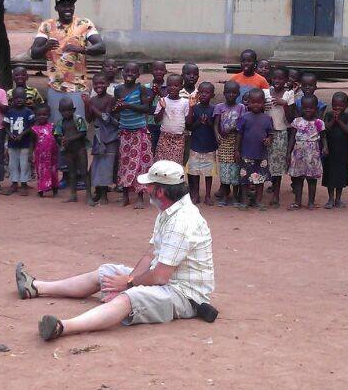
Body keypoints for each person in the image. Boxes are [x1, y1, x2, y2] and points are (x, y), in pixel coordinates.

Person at [15, 160, 215, 341]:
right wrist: (129, 281)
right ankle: (36, 286)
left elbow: (161, 276)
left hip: (184, 295)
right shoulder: (169, 211)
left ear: (160, 192)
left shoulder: (182, 221)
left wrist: (130, 285)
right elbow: (151, 255)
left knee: (130, 299)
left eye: (149, 185)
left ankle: (63, 327)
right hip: (167, 281)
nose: (145, 188)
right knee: (106, 272)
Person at [29, 0, 106, 119]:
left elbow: (101, 47)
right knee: (56, 128)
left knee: (78, 125)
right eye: (63, 5)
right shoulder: (47, 26)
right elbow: (34, 53)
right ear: (56, 8)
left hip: (78, 88)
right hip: (55, 87)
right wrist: (46, 46)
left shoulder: (84, 24)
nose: (68, 8)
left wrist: (80, 49)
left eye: (70, 5)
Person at [113, 62, 155, 208]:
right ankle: (125, 196)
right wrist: (117, 108)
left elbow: (146, 108)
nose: (129, 74)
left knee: (140, 166)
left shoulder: (141, 89)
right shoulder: (118, 90)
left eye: (133, 72)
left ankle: (139, 197)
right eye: (127, 71)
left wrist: (127, 106)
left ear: (138, 75)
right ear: (122, 73)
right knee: (124, 164)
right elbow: (113, 109)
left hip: (140, 132)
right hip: (125, 133)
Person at [235, 89, 273, 209]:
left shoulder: (267, 118)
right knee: (245, 179)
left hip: (261, 155)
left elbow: (270, 134)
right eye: (253, 102)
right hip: (246, 154)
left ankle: (258, 200)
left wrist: (268, 140)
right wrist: (237, 150)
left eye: (259, 102)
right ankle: (245, 200)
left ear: (264, 103)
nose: (256, 105)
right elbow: (239, 134)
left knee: (260, 179)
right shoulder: (244, 117)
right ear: (248, 103)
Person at [287, 94, 326, 209]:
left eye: (311, 107)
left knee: (311, 179)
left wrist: (325, 147)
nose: (308, 110)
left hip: (312, 154)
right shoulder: (297, 121)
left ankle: (311, 202)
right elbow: (292, 137)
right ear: (301, 108)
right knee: (298, 179)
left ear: (316, 108)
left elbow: (323, 137)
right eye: (305, 107)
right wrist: (288, 152)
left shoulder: (319, 122)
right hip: (298, 153)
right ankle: (297, 201)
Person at [86, 72, 119, 205]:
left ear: (107, 84)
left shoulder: (110, 99)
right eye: (96, 84)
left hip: (109, 136)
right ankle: (98, 191)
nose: (99, 86)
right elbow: (89, 118)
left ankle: (104, 194)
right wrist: (86, 104)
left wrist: (90, 105)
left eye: (102, 83)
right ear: (92, 85)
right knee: (98, 164)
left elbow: (105, 117)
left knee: (106, 165)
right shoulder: (92, 100)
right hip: (98, 136)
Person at [264, 68, 294, 207]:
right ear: (271, 79)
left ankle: (276, 195)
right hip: (264, 132)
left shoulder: (289, 94)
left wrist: (285, 104)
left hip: (280, 133)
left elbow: (290, 119)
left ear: (286, 80)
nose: (277, 81)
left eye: (281, 79)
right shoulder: (265, 93)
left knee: (277, 167)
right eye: (275, 78)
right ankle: (257, 192)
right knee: (261, 162)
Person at [185, 81, 218, 205]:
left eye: (207, 93)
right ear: (198, 94)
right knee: (195, 172)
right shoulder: (195, 108)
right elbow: (189, 126)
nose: (204, 95)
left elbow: (216, 127)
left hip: (209, 146)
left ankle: (208, 195)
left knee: (209, 173)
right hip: (196, 145)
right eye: (201, 92)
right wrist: (197, 119)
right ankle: (195, 194)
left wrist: (208, 122)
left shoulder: (214, 109)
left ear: (212, 95)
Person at [213, 80, 244, 206]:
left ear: (238, 94)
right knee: (225, 170)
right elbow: (216, 124)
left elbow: (241, 126)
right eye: (228, 93)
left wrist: (231, 129)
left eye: (234, 93)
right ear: (224, 93)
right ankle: (226, 196)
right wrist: (217, 135)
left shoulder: (241, 107)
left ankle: (235, 197)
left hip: (236, 141)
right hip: (223, 143)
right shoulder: (219, 107)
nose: (231, 95)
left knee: (235, 170)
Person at [322, 91, 348, 209]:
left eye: (340, 106)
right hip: (330, 151)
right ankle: (330, 199)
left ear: (346, 106)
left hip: (342, 152)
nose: (337, 108)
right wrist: (333, 120)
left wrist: (339, 120)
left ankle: (338, 199)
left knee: (340, 176)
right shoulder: (329, 115)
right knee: (330, 175)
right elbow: (324, 130)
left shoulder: (347, 117)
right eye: (335, 105)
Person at [3, 88, 36, 196]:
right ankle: (14, 182)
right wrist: (10, 134)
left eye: (22, 97)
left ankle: (24, 183)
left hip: (25, 143)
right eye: (16, 98)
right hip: (12, 143)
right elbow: (5, 126)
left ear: (26, 98)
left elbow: (32, 126)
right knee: (13, 163)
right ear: (12, 99)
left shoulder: (28, 112)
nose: (19, 100)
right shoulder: (9, 112)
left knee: (24, 164)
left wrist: (22, 134)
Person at [55, 98, 88, 203]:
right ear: (59, 111)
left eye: (69, 110)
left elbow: (83, 133)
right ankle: (73, 195)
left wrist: (69, 139)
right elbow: (57, 135)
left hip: (80, 149)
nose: (66, 113)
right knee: (72, 173)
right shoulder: (60, 123)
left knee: (84, 172)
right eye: (63, 111)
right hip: (69, 151)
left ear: (73, 110)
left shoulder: (78, 119)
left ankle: (89, 196)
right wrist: (61, 140)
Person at [154, 74, 188, 165]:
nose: (172, 88)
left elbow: (188, 121)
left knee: (175, 165)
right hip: (164, 137)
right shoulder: (162, 101)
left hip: (179, 138)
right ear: (166, 86)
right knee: (161, 164)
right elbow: (156, 120)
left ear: (181, 87)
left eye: (176, 86)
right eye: (169, 85)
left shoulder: (185, 102)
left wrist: (192, 107)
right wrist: (163, 108)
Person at [32, 104, 61, 197]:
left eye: (44, 114)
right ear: (35, 116)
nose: (42, 117)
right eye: (39, 115)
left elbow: (57, 139)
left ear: (49, 115)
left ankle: (55, 190)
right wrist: (30, 153)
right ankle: (41, 190)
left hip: (52, 156)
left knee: (53, 172)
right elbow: (32, 143)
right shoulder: (34, 129)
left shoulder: (53, 127)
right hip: (40, 157)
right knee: (41, 172)